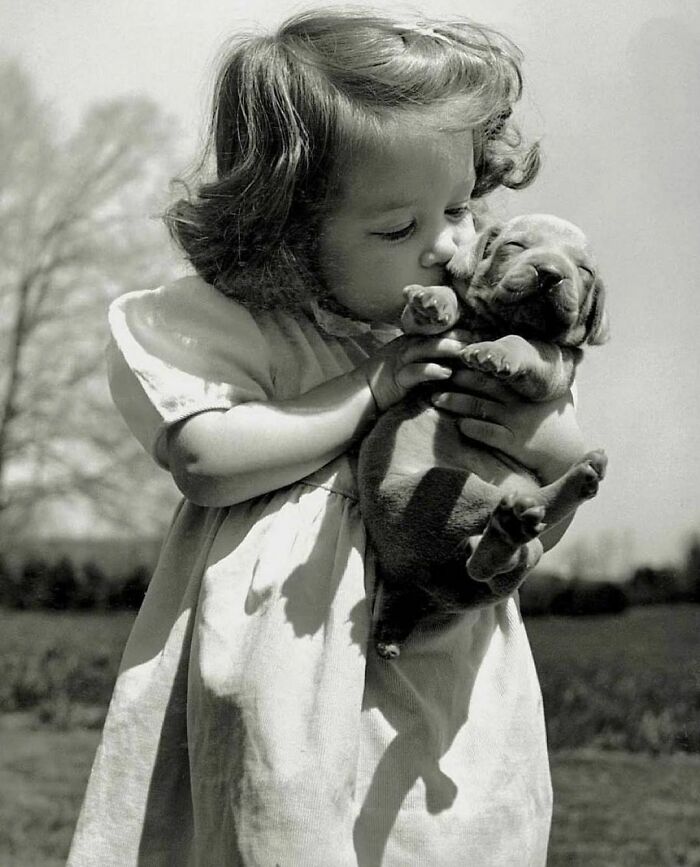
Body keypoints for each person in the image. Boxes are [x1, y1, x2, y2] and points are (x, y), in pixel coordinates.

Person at [69, 10, 589, 866]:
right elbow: (204, 462)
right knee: (278, 824)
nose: (446, 245)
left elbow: (553, 476)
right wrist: (369, 389)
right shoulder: (255, 330)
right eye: (396, 229)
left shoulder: (470, 337)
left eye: (458, 206)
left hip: (437, 666)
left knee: (438, 834)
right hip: (286, 664)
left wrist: (541, 445)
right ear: (288, 230)